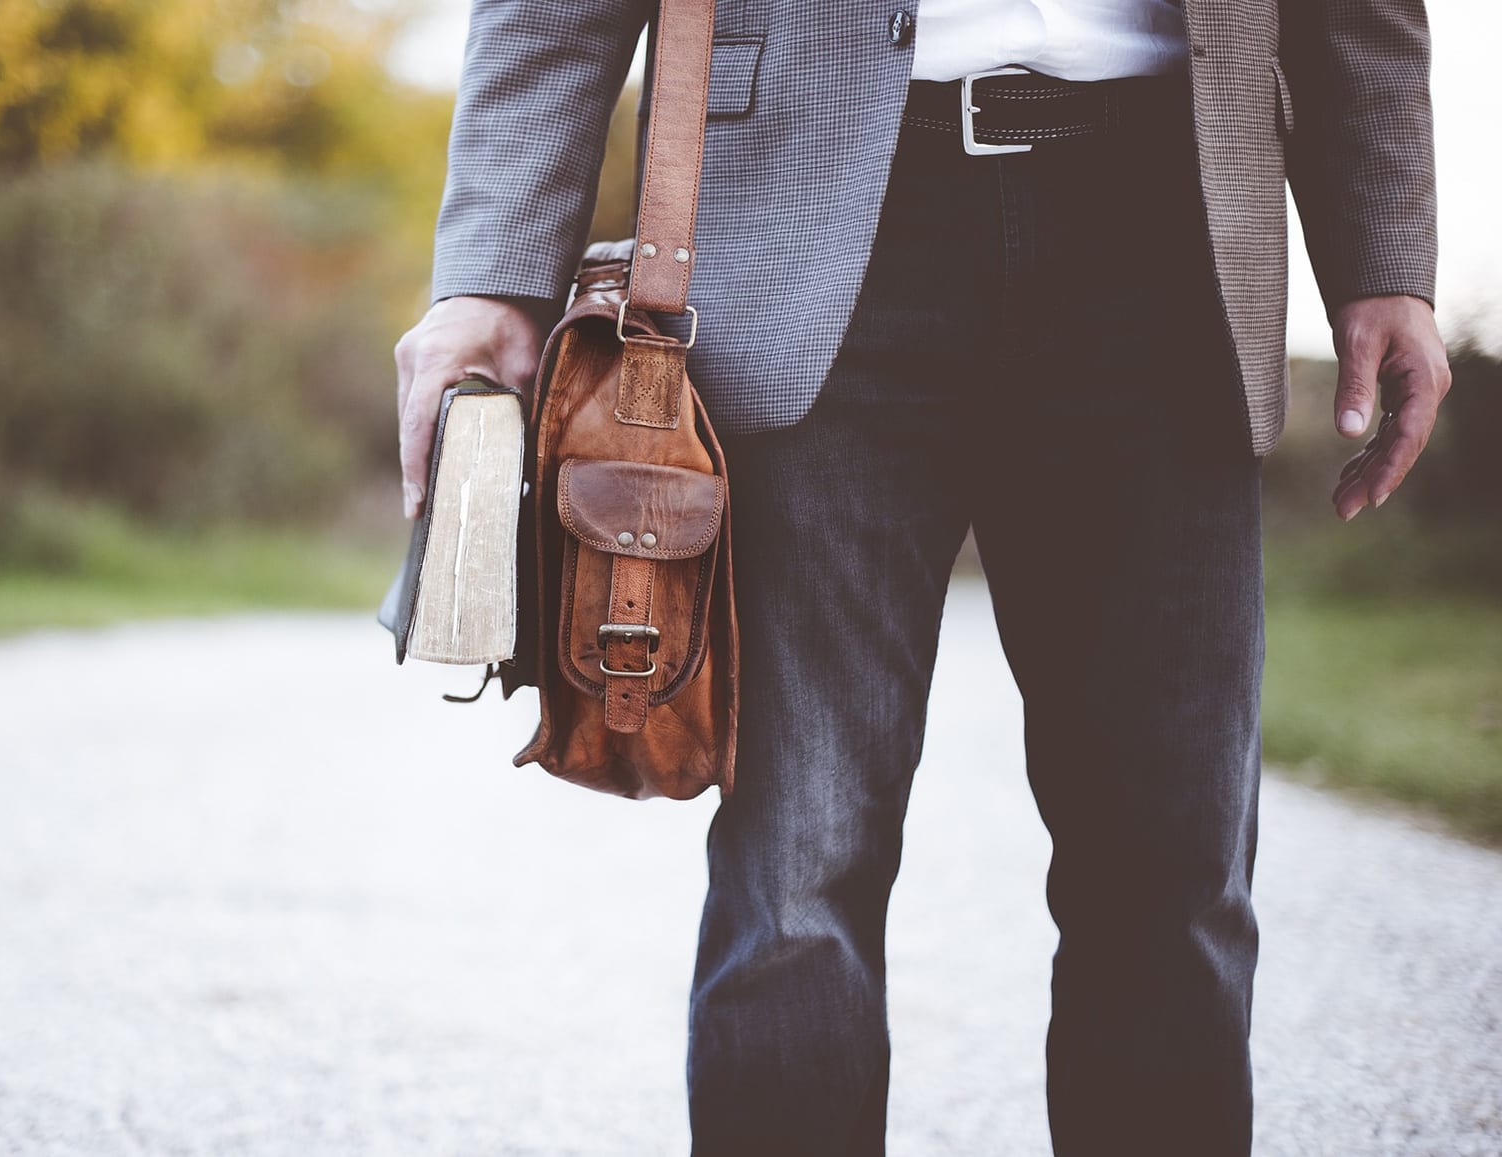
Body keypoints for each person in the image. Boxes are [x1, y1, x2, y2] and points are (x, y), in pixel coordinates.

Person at [392, 1, 1450, 1153]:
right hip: (813, 221)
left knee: (1174, 878)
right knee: (797, 874)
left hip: (1171, 228)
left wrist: (1383, 253)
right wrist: (493, 269)